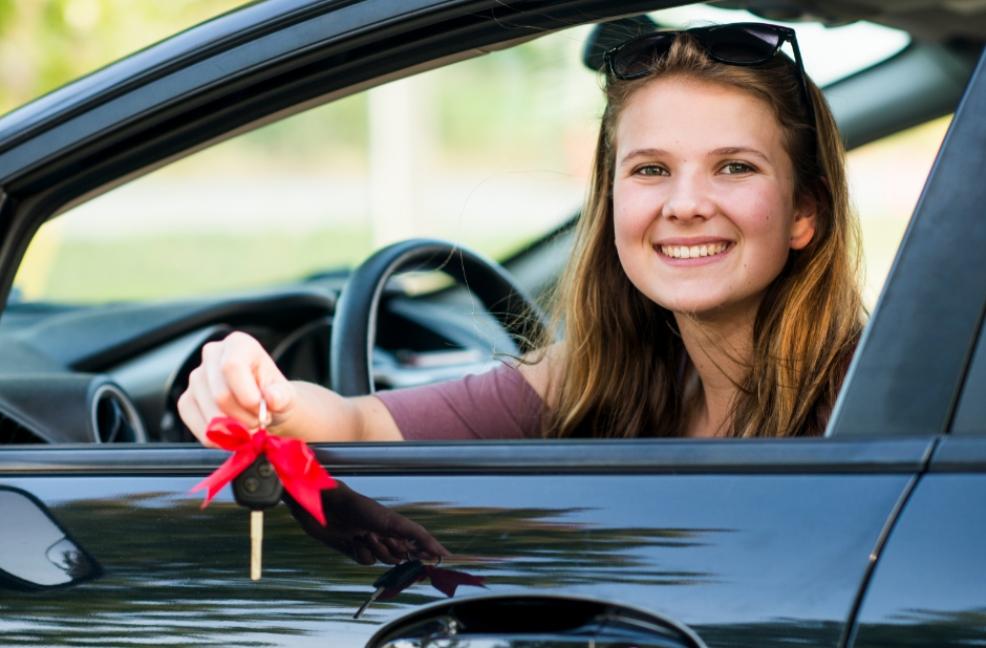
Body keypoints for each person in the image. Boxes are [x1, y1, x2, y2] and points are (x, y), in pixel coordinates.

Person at [178, 22, 863, 445]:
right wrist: (264, 392)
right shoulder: (606, 377)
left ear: (806, 212)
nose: (685, 204)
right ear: (611, 198)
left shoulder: (868, 396)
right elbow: (359, 427)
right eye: (651, 168)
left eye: (734, 167)